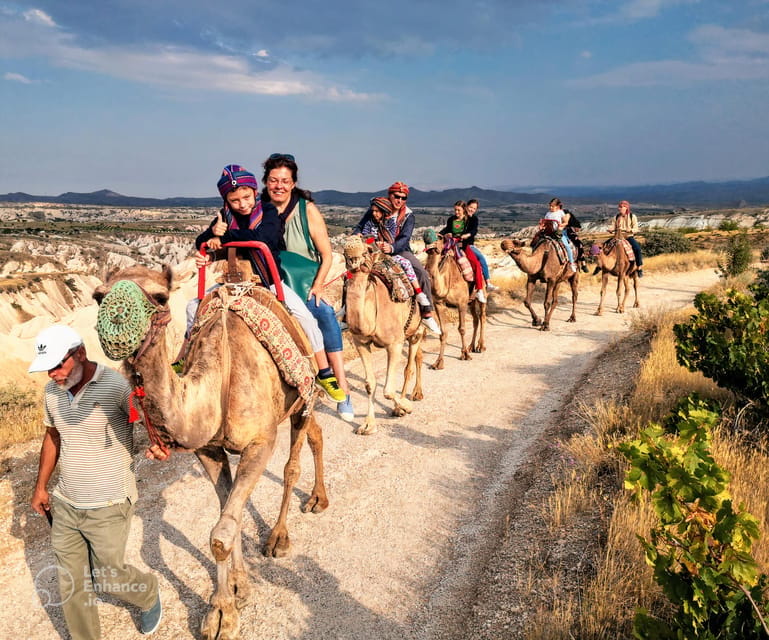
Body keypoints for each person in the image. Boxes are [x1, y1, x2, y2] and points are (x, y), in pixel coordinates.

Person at [29, 325, 163, 639]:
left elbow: (143, 421)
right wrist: (40, 487)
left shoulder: (115, 387)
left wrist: (154, 442)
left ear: (80, 354)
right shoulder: (52, 392)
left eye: (58, 365)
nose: (52, 375)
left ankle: (147, 593)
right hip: (66, 503)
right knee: (71, 582)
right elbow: (53, 436)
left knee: (109, 578)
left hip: (109, 503)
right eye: (47, 368)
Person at [192, 164, 346, 402]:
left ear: (255, 192)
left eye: (246, 197)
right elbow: (200, 241)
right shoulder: (225, 217)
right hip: (235, 280)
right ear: (227, 200)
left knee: (305, 317)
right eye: (235, 200)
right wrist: (212, 233)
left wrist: (225, 236)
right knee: (194, 307)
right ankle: (187, 356)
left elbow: (264, 238)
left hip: (267, 280)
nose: (242, 204)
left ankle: (324, 372)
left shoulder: (267, 212)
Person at [259, 153, 353, 421]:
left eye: (284, 181)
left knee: (322, 314)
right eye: (274, 180)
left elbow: (327, 254)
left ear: (293, 183)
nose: (279, 186)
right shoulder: (258, 208)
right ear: (266, 182)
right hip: (268, 280)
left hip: (304, 283)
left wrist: (319, 285)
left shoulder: (307, 210)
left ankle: (341, 386)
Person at [352, 181, 441, 334]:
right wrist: (356, 235)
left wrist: (391, 247)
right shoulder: (377, 207)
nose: (399, 200)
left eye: (403, 197)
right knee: (351, 272)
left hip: (398, 250)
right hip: (372, 248)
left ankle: (427, 313)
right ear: (390, 195)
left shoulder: (408, 215)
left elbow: (405, 238)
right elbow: (360, 226)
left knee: (422, 274)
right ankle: (348, 314)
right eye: (397, 196)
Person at [438, 200, 487, 303]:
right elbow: (447, 229)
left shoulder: (468, 220)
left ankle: (479, 289)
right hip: (450, 245)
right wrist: (442, 234)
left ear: (463, 209)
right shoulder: (451, 219)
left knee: (476, 264)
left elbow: (473, 231)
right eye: (455, 210)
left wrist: (467, 235)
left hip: (463, 246)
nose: (456, 212)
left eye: (458, 210)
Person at [465, 199, 496, 291]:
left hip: (469, 244)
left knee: (481, 258)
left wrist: (468, 234)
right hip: (462, 244)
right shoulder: (461, 217)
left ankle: (487, 283)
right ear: (466, 206)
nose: (471, 210)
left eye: (474, 209)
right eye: (470, 207)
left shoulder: (474, 219)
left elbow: (474, 231)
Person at [608, 200, 644, 277]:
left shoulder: (632, 216)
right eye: (619, 207)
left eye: (621, 207)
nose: (619, 208)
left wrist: (630, 230)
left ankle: (639, 267)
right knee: (605, 246)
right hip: (617, 236)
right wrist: (610, 229)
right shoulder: (616, 217)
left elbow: (636, 228)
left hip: (628, 237)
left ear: (626, 208)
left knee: (637, 249)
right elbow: (613, 226)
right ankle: (603, 265)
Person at [544, 197, 577, 272]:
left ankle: (571, 262)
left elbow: (565, 222)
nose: (550, 207)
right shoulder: (548, 213)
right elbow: (545, 222)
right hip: (549, 232)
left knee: (566, 246)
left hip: (560, 232)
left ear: (557, 206)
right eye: (550, 206)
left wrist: (561, 226)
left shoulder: (560, 212)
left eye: (552, 206)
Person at [563, 208, 588, 273]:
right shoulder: (568, 217)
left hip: (566, 232)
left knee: (579, 244)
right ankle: (583, 263)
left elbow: (577, 227)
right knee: (579, 244)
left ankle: (582, 263)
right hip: (564, 232)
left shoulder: (567, 217)